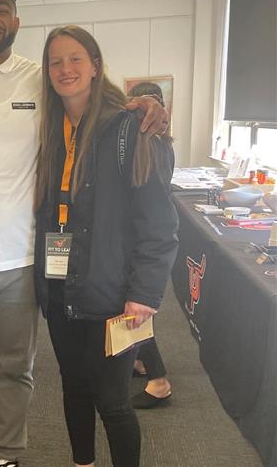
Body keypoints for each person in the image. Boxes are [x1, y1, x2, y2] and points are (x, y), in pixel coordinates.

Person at [0, 0, 170, 467]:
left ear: (16, 20)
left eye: (0, 9)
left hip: (25, 259)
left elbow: (97, 104)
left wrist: (146, 106)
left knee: (20, 372)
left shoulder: (39, 81)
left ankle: (6, 455)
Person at [34, 25, 179, 466]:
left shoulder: (128, 128)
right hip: (60, 286)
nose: (66, 69)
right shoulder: (47, 127)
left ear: (96, 66)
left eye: (75, 58)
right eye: (56, 61)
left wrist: (145, 294)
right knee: (73, 385)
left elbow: (158, 221)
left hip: (115, 293)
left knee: (113, 400)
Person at [127, 82, 173, 409]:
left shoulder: (148, 145)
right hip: (140, 238)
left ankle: (159, 381)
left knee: (136, 311)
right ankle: (142, 363)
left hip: (137, 240)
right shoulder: (164, 143)